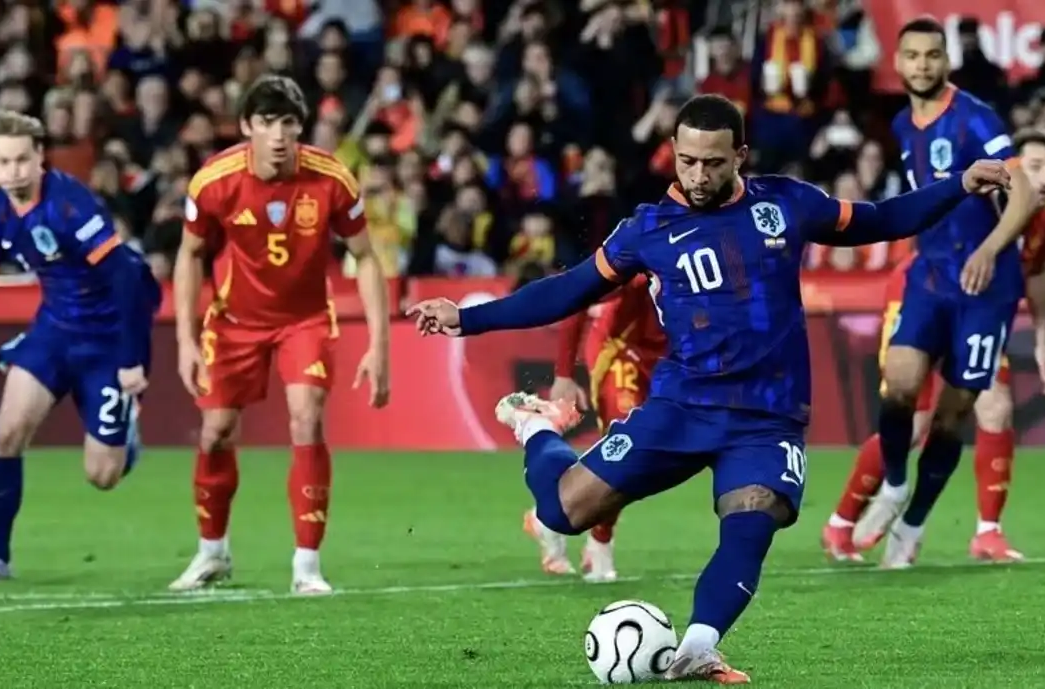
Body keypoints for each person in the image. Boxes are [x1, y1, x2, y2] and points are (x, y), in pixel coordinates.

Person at [406, 93, 1011, 683]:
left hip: (768, 416)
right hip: (682, 405)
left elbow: (880, 220)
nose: (698, 175)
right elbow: (567, 291)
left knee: (754, 515)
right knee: (562, 511)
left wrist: (957, 184)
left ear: (740, 155)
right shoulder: (645, 230)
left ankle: (698, 647)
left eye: (714, 162)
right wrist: (470, 317)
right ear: (672, 150)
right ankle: (536, 426)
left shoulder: (787, 204)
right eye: (688, 160)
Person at [169, 75, 391, 596]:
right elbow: (190, 255)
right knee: (216, 431)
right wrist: (183, 340)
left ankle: (307, 566)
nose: (278, 135)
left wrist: (380, 346)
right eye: (266, 123)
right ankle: (211, 554)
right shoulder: (213, 181)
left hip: (305, 320)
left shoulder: (332, 178)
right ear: (247, 126)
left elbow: (365, 257)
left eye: (288, 123)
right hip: (234, 321)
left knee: (306, 418)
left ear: (301, 128)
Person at [824, 127, 1045, 566]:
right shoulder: (977, 204)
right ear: (1011, 171)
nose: (1044, 179)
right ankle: (842, 523)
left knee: (994, 408)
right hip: (925, 298)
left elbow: (1037, 272)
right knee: (913, 421)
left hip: (984, 308)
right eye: (1033, 168)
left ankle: (985, 532)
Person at [0, 110, 159, 583]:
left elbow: (123, 276)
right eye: (4, 161)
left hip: (105, 341)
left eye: (23, 159)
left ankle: (126, 437)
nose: (14, 170)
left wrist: (131, 358)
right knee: (7, 434)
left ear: (40, 158)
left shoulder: (70, 205)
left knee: (102, 476)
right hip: (54, 331)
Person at [855, 18, 1042, 565]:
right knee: (899, 387)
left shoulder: (974, 117)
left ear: (946, 60)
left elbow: (1024, 190)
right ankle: (892, 486)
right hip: (929, 277)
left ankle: (911, 528)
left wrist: (990, 249)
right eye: (912, 56)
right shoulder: (900, 123)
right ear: (899, 62)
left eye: (932, 55)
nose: (922, 65)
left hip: (985, 288)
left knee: (951, 417)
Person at [527, 275, 666, 582]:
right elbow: (578, 295)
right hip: (620, 349)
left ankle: (551, 518)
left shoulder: (721, 255)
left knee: (657, 456)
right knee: (629, 449)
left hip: (673, 361)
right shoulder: (646, 264)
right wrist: (564, 373)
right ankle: (597, 542)